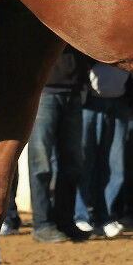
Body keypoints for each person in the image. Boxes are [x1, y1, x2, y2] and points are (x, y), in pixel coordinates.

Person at [25, 48, 84, 243]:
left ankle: (65, 221)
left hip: (74, 90)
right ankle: (42, 224)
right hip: (44, 91)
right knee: (40, 163)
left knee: (72, 163)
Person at [76, 62, 133, 237]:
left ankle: (105, 216)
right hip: (91, 100)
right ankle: (81, 215)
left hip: (119, 99)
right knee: (86, 162)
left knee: (115, 165)